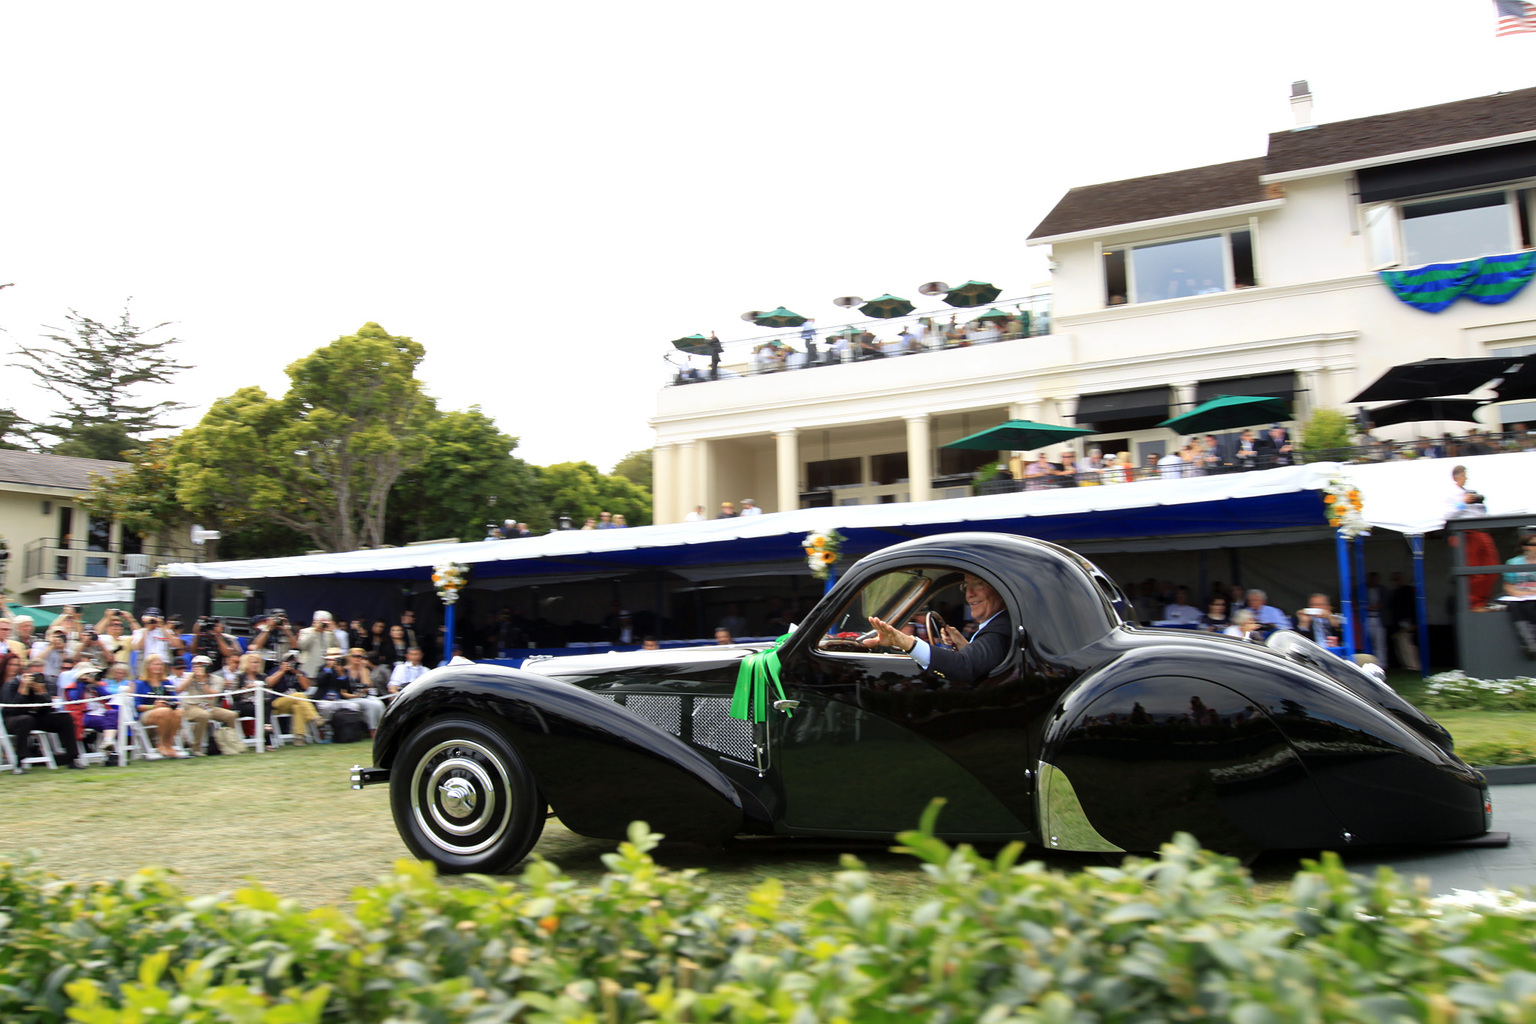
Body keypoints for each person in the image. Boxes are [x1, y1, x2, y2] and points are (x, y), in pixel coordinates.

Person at [863, 573, 1012, 685]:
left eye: (979, 584)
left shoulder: (1000, 630)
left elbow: (965, 667)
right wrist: (965, 646)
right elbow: (981, 663)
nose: (970, 594)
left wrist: (906, 643)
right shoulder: (998, 625)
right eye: (967, 586)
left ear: (1000, 589)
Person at [3, 654, 84, 771]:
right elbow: (12, 710)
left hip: (35, 718)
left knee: (65, 718)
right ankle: (20, 762)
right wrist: (23, 690)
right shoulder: (12, 684)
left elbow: (48, 709)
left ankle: (72, 758)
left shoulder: (46, 683)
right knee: (26, 719)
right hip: (13, 719)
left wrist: (42, 693)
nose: (36, 677)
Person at [178, 655, 242, 756]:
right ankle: (196, 748)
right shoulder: (188, 676)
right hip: (191, 706)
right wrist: (191, 677)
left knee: (231, 715)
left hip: (209, 706)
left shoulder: (217, 679)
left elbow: (212, 696)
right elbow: (178, 690)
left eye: (201, 666)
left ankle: (231, 744)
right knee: (203, 715)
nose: (198, 668)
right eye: (196, 666)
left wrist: (202, 681)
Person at [134, 654, 187, 759]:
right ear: (148, 666)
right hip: (147, 712)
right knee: (164, 712)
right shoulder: (140, 683)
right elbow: (137, 706)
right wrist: (154, 706)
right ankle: (161, 744)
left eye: (160, 664)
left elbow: (175, 700)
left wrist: (171, 704)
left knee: (179, 712)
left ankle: (169, 744)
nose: (158, 667)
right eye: (155, 664)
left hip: (166, 710)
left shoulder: (167, 682)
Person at [267, 653, 319, 743]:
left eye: (293, 661)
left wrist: (297, 673)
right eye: (289, 661)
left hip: (295, 702)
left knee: (298, 706)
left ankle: (299, 737)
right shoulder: (276, 670)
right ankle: (314, 717)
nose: (291, 664)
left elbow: (306, 687)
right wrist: (282, 671)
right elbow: (269, 683)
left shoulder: (299, 673)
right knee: (300, 695)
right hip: (278, 702)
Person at [1502, 529, 1536, 657]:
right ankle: (1529, 643)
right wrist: (1516, 593)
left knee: (1531, 606)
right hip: (1520, 596)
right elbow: (1508, 584)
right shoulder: (1513, 563)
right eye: (1534, 544)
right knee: (1514, 606)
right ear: (1525, 547)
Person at [296, 611, 343, 677]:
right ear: (315, 621)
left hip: (324, 669)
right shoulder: (305, 631)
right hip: (309, 668)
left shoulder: (329, 634)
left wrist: (332, 632)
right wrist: (315, 631)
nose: (323, 625)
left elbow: (337, 646)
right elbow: (302, 646)